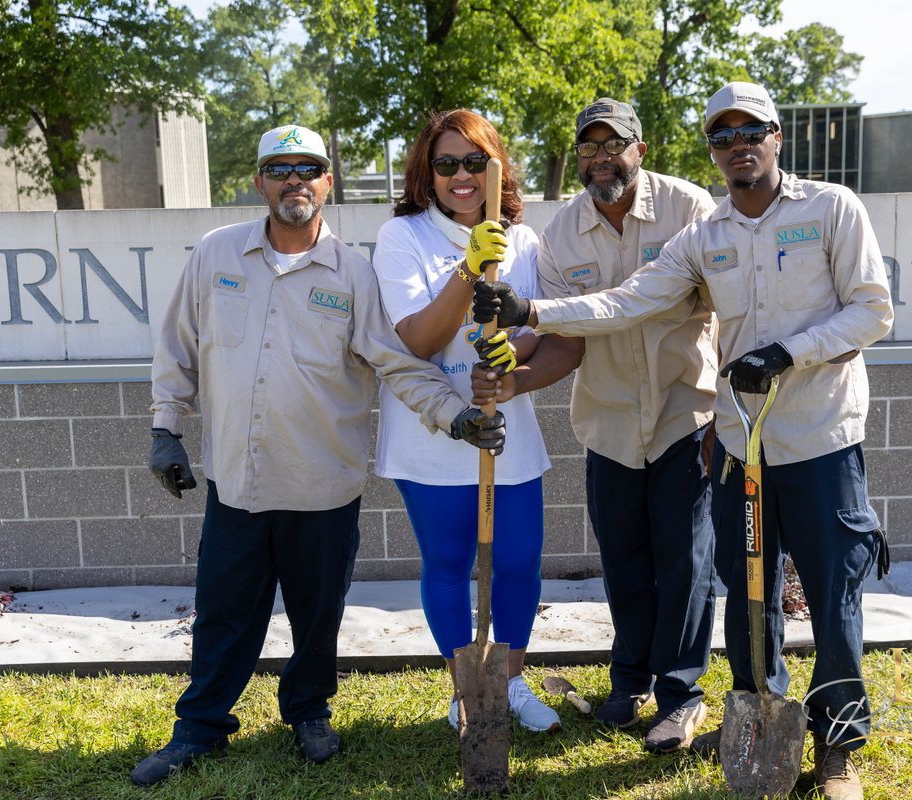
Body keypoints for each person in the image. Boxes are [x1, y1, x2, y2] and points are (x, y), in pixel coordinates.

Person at [472, 82, 893, 800]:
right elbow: (629, 300)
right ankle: (764, 726)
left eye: (750, 132)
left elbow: (872, 312)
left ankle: (838, 747)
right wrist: (531, 308)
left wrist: (791, 353)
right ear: (713, 150)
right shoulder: (706, 236)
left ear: (776, 137)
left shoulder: (830, 209)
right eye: (723, 138)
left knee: (833, 598)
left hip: (818, 440)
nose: (738, 147)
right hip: (740, 445)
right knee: (750, 597)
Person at [133, 124, 506, 787]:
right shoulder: (216, 256)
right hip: (239, 486)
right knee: (223, 611)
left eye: (309, 168)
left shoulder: (354, 274)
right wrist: (166, 428)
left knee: (317, 613)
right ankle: (200, 725)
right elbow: (177, 346)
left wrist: (458, 416)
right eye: (279, 169)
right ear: (259, 182)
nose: (294, 180)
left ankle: (308, 710)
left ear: (328, 183)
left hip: (323, 487)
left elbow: (399, 363)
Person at [471, 98, 720, 754]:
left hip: (682, 414)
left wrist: (532, 309)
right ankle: (630, 680)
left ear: (641, 149)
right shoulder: (563, 233)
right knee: (625, 561)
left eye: (615, 145)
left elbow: (630, 304)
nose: (601, 157)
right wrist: (513, 372)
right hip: (607, 422)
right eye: (588, 147)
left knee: (685, 563)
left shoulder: (689, 210)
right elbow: (567, 339)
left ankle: (680, 695)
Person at [370, 109, 560, 733]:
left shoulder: (525, 241)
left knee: (517, 563)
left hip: (506, 427)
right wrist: (466, 267)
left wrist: (513, 356)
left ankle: (508, 682)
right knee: (449, 563)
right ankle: (467, 691)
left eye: (473, 162)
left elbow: (539, 331)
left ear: (494, 167)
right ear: (428, 170)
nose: (460, 175)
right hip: (431, 436)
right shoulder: (402, 237)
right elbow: (419, 340)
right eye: (446, 163)